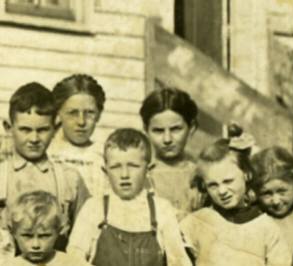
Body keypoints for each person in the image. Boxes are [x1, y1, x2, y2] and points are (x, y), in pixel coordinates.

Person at [67, 128, 192, 266]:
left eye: (133, 166)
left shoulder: (161, 209)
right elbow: (73, 258)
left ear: (148, 169)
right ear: (105, 170)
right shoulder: (94, 208)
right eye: (116, 167)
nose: (124, 175)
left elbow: (179, 260)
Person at [180, 126, 291, 266]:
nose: (222, 191)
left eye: (228, 181)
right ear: (204, 186)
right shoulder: (194, 224)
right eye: (213, 185)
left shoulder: (266, 228)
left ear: (246, 174)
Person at [0, 82, 89, 252]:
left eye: (42, 130)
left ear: (55, 129)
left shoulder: (70, 179)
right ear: (9, 128)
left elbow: (84, 236)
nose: (34, 139)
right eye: (25, 130)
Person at [140, 84, 204, 219]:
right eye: (158, 130)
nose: (167, 139)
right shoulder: (141, 175)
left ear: (191, 128)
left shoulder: (201, 174)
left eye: (175, 129)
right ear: (146, 130)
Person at [48, 74, 107, 197]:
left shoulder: (105, 155)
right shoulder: (48, 152)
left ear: (99, 115)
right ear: (58, 113)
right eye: (72, 113)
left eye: (89, 113)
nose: (81, 122)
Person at [3, 191, 90, 266]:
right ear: (13, 232)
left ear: (59, 230)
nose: (35, 245)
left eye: (44, 236)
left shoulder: (73, 263)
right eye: (27, 236)